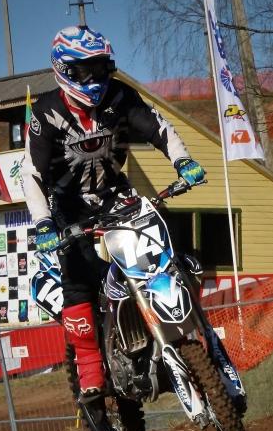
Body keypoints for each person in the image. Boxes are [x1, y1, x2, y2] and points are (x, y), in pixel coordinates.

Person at [23, 25, 206, 403]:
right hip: (68, 206)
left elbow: (158, 127)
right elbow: (32, 174)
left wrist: (183, 160)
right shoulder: (46, 112)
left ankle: (174, 315)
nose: (96, 78)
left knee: (162, 235)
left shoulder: (120, 96)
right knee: (77, 277)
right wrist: (43, 224)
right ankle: (91, 369)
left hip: (115, 193)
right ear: (65, 70)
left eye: (101, 68)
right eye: (85, 70)